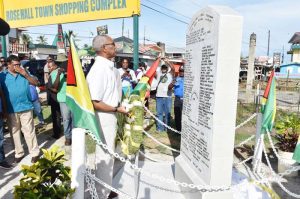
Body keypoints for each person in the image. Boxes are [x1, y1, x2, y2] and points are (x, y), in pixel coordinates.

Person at [86, 35, 127, 199]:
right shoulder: (99, 69)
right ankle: (101, 194)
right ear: (104, 48)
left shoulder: (109, 68)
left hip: (111, 115)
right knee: (104, 155)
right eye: (112, 44)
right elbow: (94, 101)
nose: (115, 47)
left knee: (109, 155)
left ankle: (105, 188)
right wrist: (117, 108)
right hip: (104, 117)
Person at [0, 55, 40, 163]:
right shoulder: (2, 76)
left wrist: (25, 74)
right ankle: (19, 153)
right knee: (14, 132)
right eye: (15, 65)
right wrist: (4, 109)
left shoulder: (24, 73)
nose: (18, 66)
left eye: (19, 64)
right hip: (11, 109)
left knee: (29, 131)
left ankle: (35, 152)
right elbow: (2, 93)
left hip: (26, 106)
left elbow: (36, 83)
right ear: (8, 65)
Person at [51, 54, 73, 145]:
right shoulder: (54, 73)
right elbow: (55, 88)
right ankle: (68, 137)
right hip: (63, 99)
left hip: (73, 98)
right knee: (66, 119)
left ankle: (75, 135)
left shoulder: (72, 71)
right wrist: (59, 75)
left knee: (75, 118)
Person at [155, 60, 174, 132]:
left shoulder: (170, 74)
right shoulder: (158, 74)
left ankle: (167, 128)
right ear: (161, 69)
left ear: (167, 69)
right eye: (162, 68)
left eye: (165, 68)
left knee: (167, 113)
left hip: (167, 97)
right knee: (159, 113)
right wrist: (158, 60)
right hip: (159, 96)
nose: (163, 69)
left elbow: (173, 68)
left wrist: (167, 61)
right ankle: (160, 128)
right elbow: (154, 68)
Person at [46, 61, 62, 139]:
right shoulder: (61, 72)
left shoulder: (53, 74)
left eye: (50, 67)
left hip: (54, 99)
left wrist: (48, 87)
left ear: (55, 66)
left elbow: (52, 88)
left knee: (56, 116)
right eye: (48, 67)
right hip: (60, 98)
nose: (49, 68)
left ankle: (56, 133)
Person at [169, 65, 184, 131]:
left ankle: (185, 130)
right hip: (177, 99)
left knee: (185, 115)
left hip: (186, 99)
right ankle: (178, 130)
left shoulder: (189, 79)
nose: (182, 72)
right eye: (180, 71)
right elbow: (169, 88)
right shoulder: (176, 78)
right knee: (177, 115)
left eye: (183, 71)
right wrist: (173, 83)